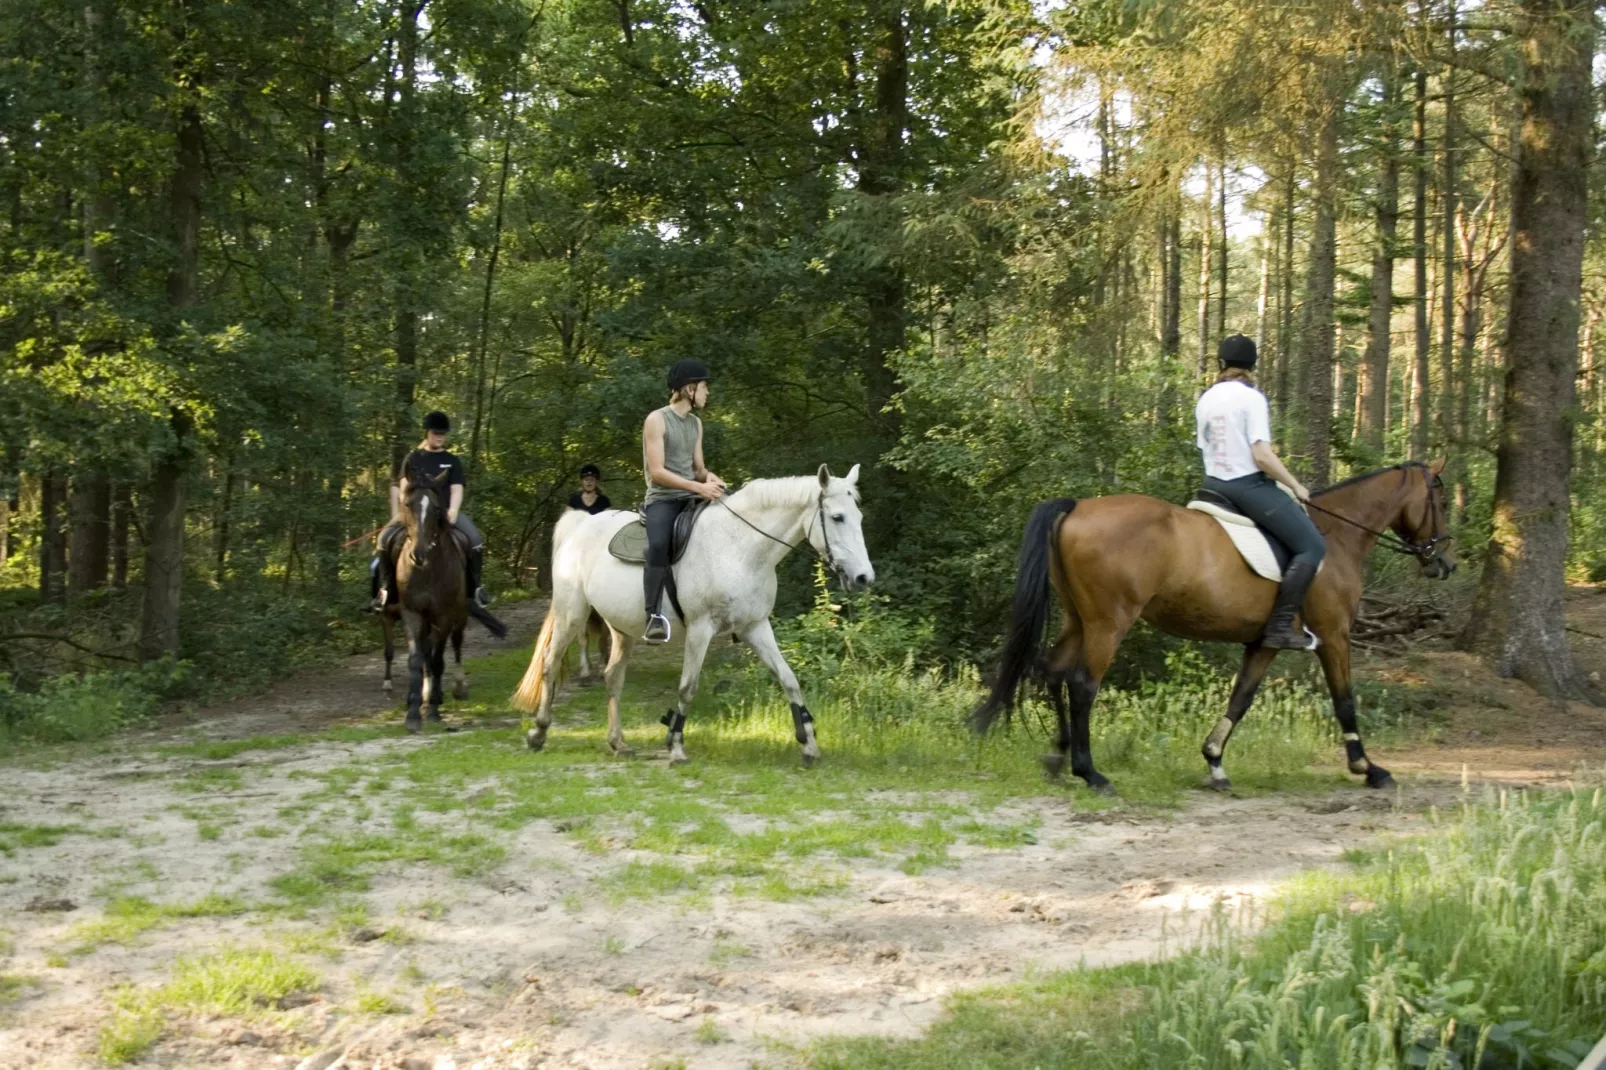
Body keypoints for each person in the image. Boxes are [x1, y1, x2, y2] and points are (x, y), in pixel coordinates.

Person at [1195, 334, 1324, 651]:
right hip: (1245, 486)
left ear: (1221, 364)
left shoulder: (1206, 398)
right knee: (1312, 546)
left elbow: (1204, 446)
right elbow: (1262, 456)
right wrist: (1295, 485)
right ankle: (1280, 626)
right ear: (1251, 366)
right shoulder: (1252, 398)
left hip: (1211, 485)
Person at [369, 410, 492, 611]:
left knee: (476, 541)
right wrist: (409, 510)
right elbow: (404, 488)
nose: (440, 437)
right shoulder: (413, 458)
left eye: (443, 434)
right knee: (383, 540)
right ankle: (386, 590)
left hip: (443, 512)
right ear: (427, 433)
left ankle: (475, 589)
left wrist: (453, 510)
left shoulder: (452, 461)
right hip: (414, 512)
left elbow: (457, 489)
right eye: (436, 433)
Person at [640, 359, 725, 644]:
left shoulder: (696, 424)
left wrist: (711, 479)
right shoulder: (657, 420)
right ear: (690, 388)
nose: (707, 393)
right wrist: (697, 487)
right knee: (658, 544)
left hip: (691, 496)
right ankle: (653, 615)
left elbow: (698, 469)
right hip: (662, 499)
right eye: (704, 387)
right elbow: (657, 472)